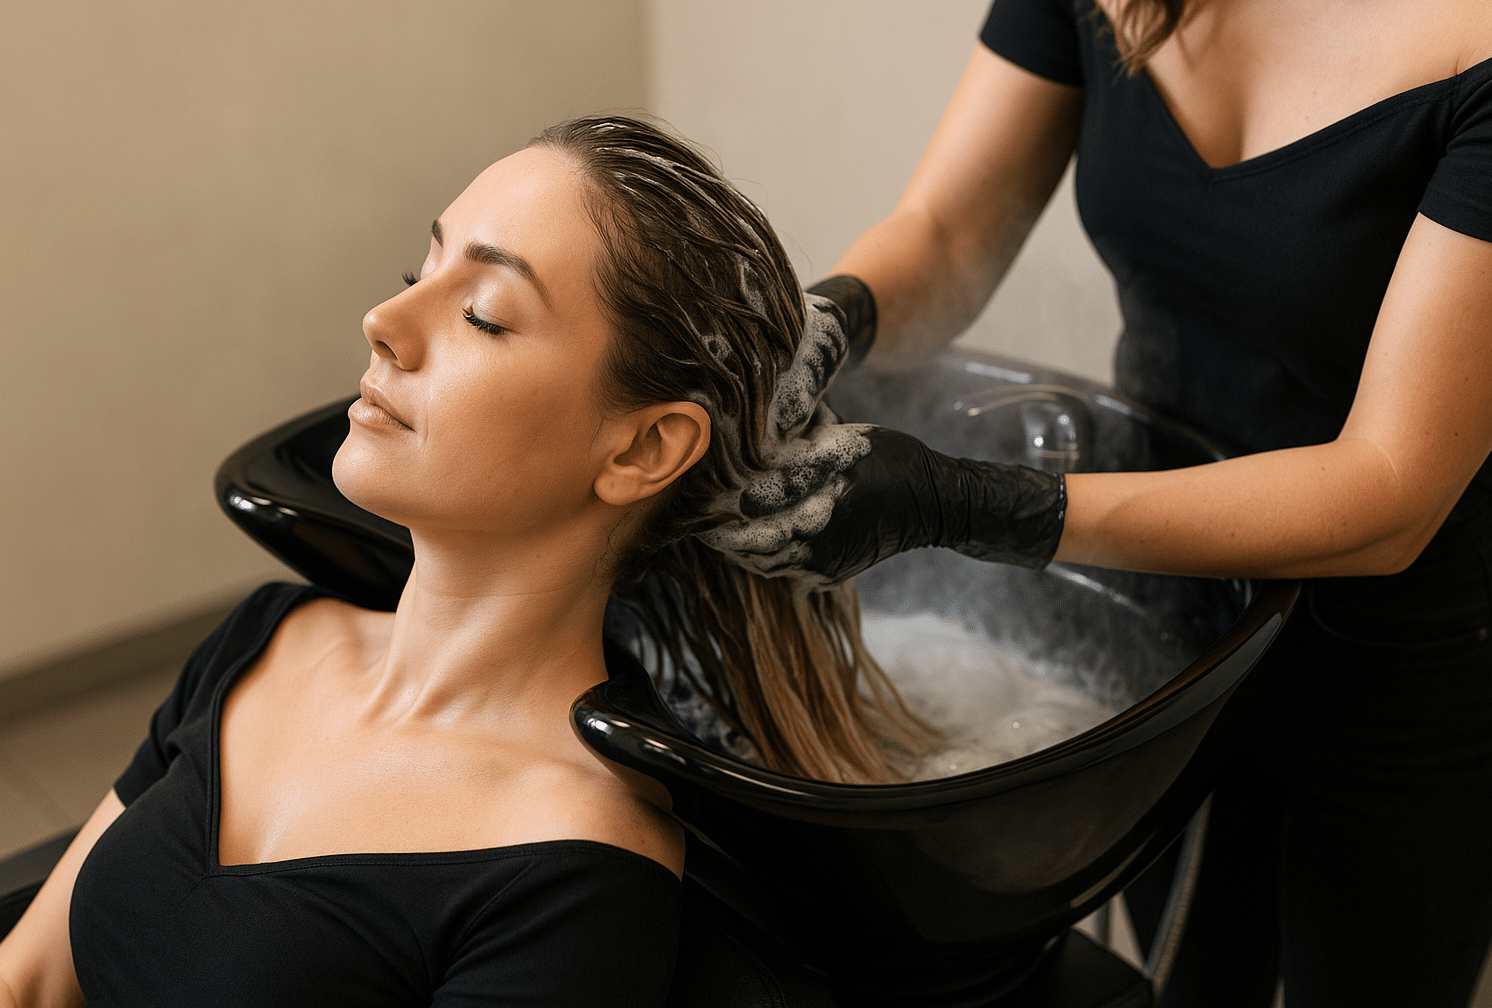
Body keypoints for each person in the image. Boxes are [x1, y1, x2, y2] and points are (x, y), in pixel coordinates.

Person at [700, 0, 1492, 1005]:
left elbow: (1389, 489)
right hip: (1171, 630)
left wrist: (976, 505)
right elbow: (951, 231)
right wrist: (833, 320)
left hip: (1396, 674)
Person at [0, 115, 928, 1008]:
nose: (383, 320)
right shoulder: (271, 639)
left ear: (641, 451)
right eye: (420, 268)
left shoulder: (573, 861)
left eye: (484, 315)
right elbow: (28, 981)